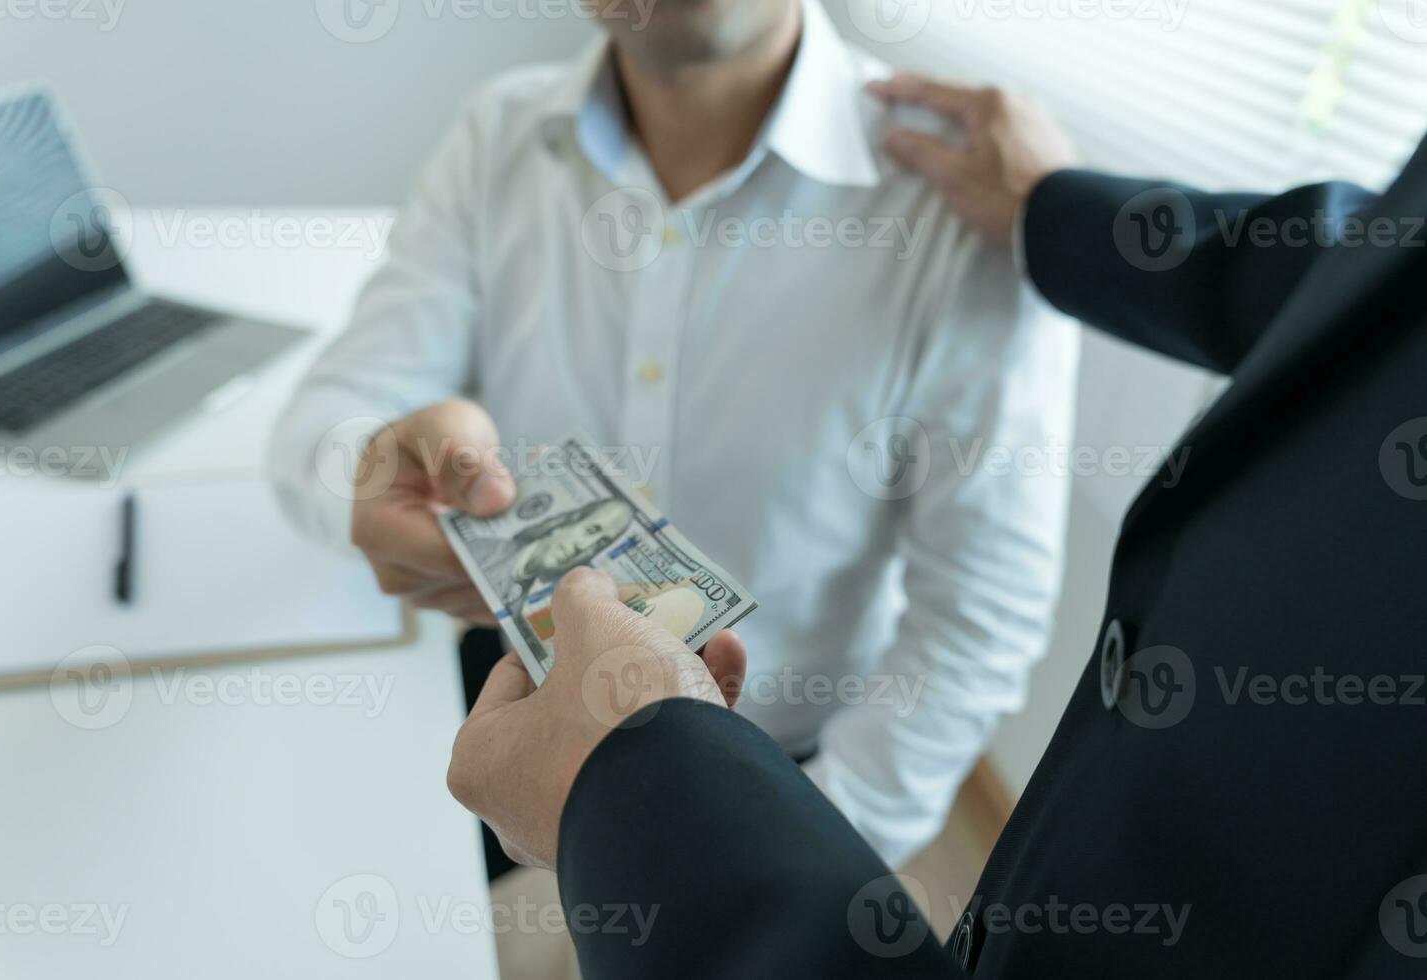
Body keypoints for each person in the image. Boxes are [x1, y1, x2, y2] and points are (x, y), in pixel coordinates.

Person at [447, 74, 1427, 977]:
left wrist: (688, 818)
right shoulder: (497, 126)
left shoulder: (937, 218)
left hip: (761, 784)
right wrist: (1074, 217)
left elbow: (976, 615)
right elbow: (1382, 273)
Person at [269, 0, 1079, 880]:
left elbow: (980, 608)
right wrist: (371, 475)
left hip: (783, 779)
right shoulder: (498, 132)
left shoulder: (970, 200)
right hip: (502, 722)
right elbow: (325, 420)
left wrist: (798, 868)